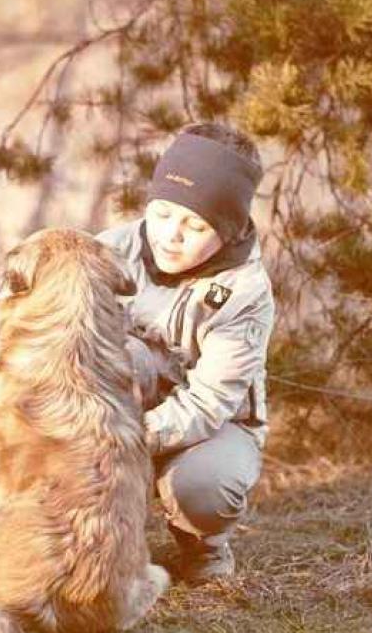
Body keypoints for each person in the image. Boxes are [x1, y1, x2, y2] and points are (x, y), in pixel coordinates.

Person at [96, 122, 275, 584]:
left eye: (195, 225)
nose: (171, 235)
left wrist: (123, 437)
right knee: (127, 356)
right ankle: (86, 533)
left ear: (229, 229)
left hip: (208, 428)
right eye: (162, 214)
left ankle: (202, 543)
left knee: (206, 486)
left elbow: (207, 404)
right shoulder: (110, 249)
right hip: (117, 407)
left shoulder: (245, 291)